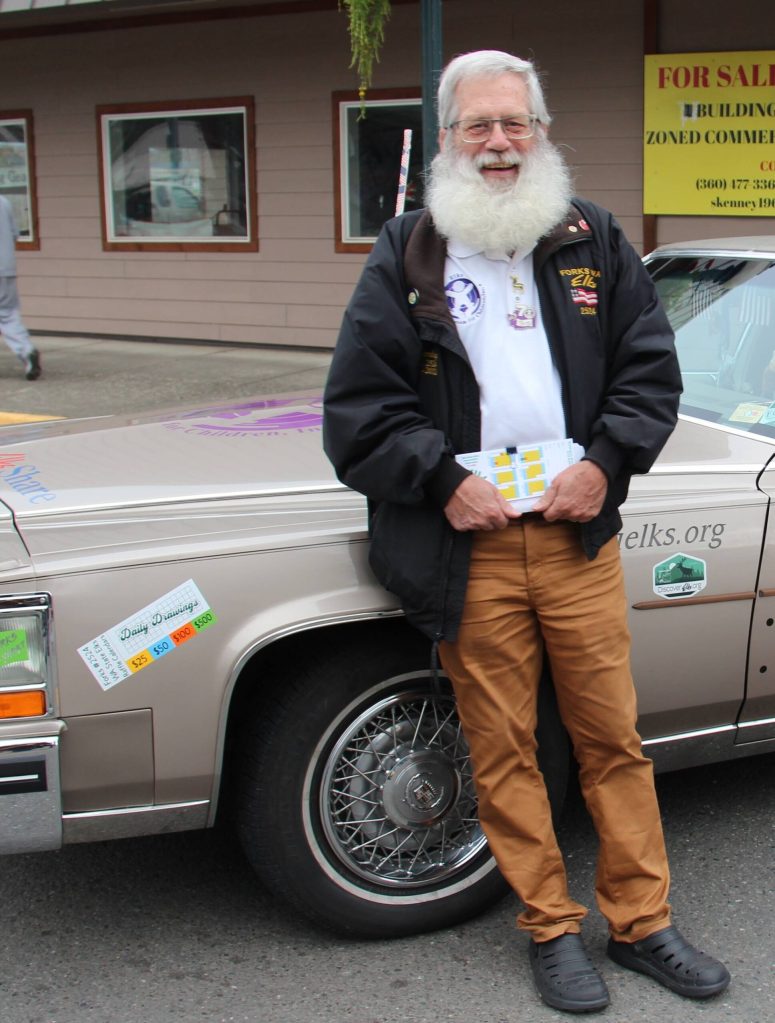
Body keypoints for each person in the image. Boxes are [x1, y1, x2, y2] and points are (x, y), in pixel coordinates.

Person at [323, 49, 731, 1014]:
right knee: (502, 745)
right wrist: (438, 479)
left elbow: (648, 374)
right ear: (449, 139)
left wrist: (604, 463)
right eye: (479, 126)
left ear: (541, 134)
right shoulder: (407, 252)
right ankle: (549, 926)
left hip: (572, 535)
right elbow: (359, 411)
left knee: (610, 738)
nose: (499, 144)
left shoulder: (591, 237)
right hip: (469, 546)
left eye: (517, 125)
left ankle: (641, 923)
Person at [0, 195, 41, 381]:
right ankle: (26, 351)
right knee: (7, 314)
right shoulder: (4, 201)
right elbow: (14, 233)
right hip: (6, 269)